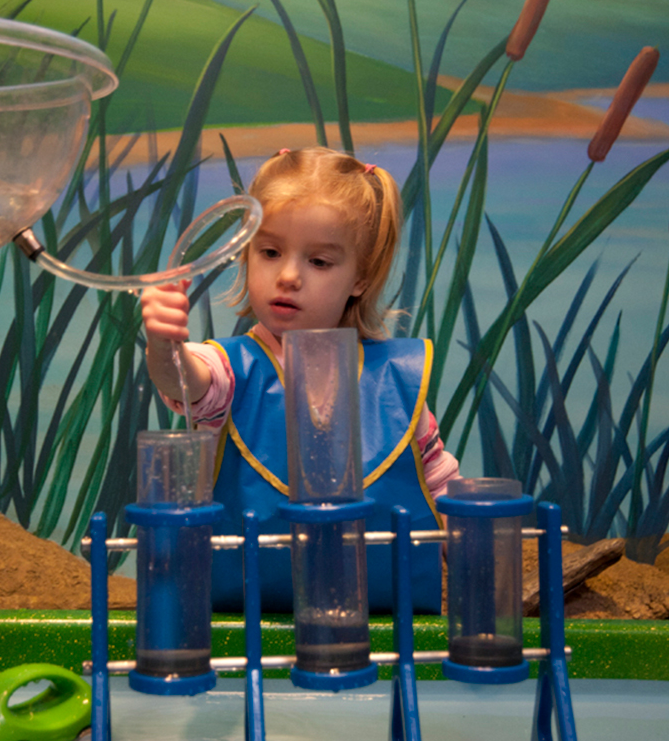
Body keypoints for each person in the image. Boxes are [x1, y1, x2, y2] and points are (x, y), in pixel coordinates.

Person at [141, 147, 458, 613]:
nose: (288, 275)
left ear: (361, 278)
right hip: (243, 623)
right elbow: (185, 380)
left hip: (385, 627)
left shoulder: (397, 383)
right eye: (269, 252)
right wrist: (163, 343)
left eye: (319, 262)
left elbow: (438, 487)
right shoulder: (232, 369)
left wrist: (476, 562)